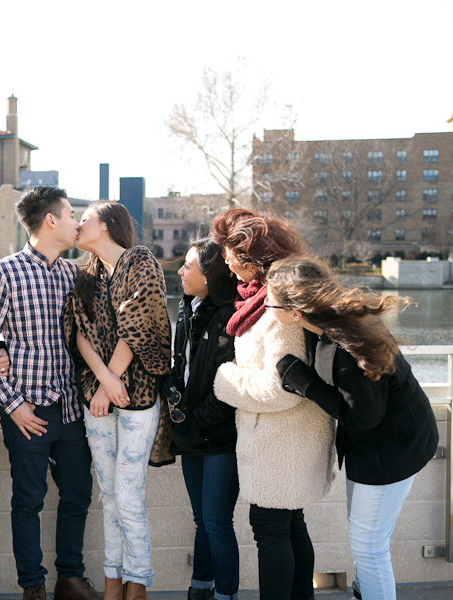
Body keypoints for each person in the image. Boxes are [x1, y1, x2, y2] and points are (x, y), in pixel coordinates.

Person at [266, 255, 439, 600]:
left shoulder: (346, 346)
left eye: (269, 301)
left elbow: (364, 417)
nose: (265, 304)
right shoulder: (326, 323)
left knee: (369, 545)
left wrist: (303, 383)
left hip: (393, 449)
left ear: (295, 312)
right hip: (374, 445)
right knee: (365, 536)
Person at [0, 186, 101, 600]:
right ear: (50, 220)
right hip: (27, 411)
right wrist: (14, 406)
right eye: (70, 215)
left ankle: (70, 576)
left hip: (70, 409)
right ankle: (33, 585)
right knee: (27, 500)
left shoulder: (73, 275)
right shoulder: (3, 273)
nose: (77, 223)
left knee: (78, 495)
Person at [210, 208, 335, 600]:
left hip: (285, 440)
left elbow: (283, 386)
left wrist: (225, 380)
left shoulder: (279, 305)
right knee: (290, 525)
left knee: (270, 528)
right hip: (286, 438)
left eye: (230, 253)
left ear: (252, 255)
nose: (226, 263)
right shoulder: (266, 297)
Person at [62, 201, 172, 600]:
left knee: (128, 494)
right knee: (108, 497)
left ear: (106, 225)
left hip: (137, 395)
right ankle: (112, 581)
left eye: (84, 218)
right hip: (99, 397)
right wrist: (104, 382)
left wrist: (112, 380)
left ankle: (137, 582)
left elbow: (139, 324)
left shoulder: (139, 261)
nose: (77, 225)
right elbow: (78, 334)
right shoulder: (85, 275)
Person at [168, 239, 239, 600]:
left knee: (216, 521)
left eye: (188, 265)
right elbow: (181, 368)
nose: (180, 271)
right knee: (203, 521)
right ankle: (200, 588)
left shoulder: (229, 317)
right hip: (192, 433)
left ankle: (226, 594)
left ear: (210, 276)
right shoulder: (187, 309)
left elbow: (228, 386)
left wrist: (195, 421)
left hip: (220, 438)